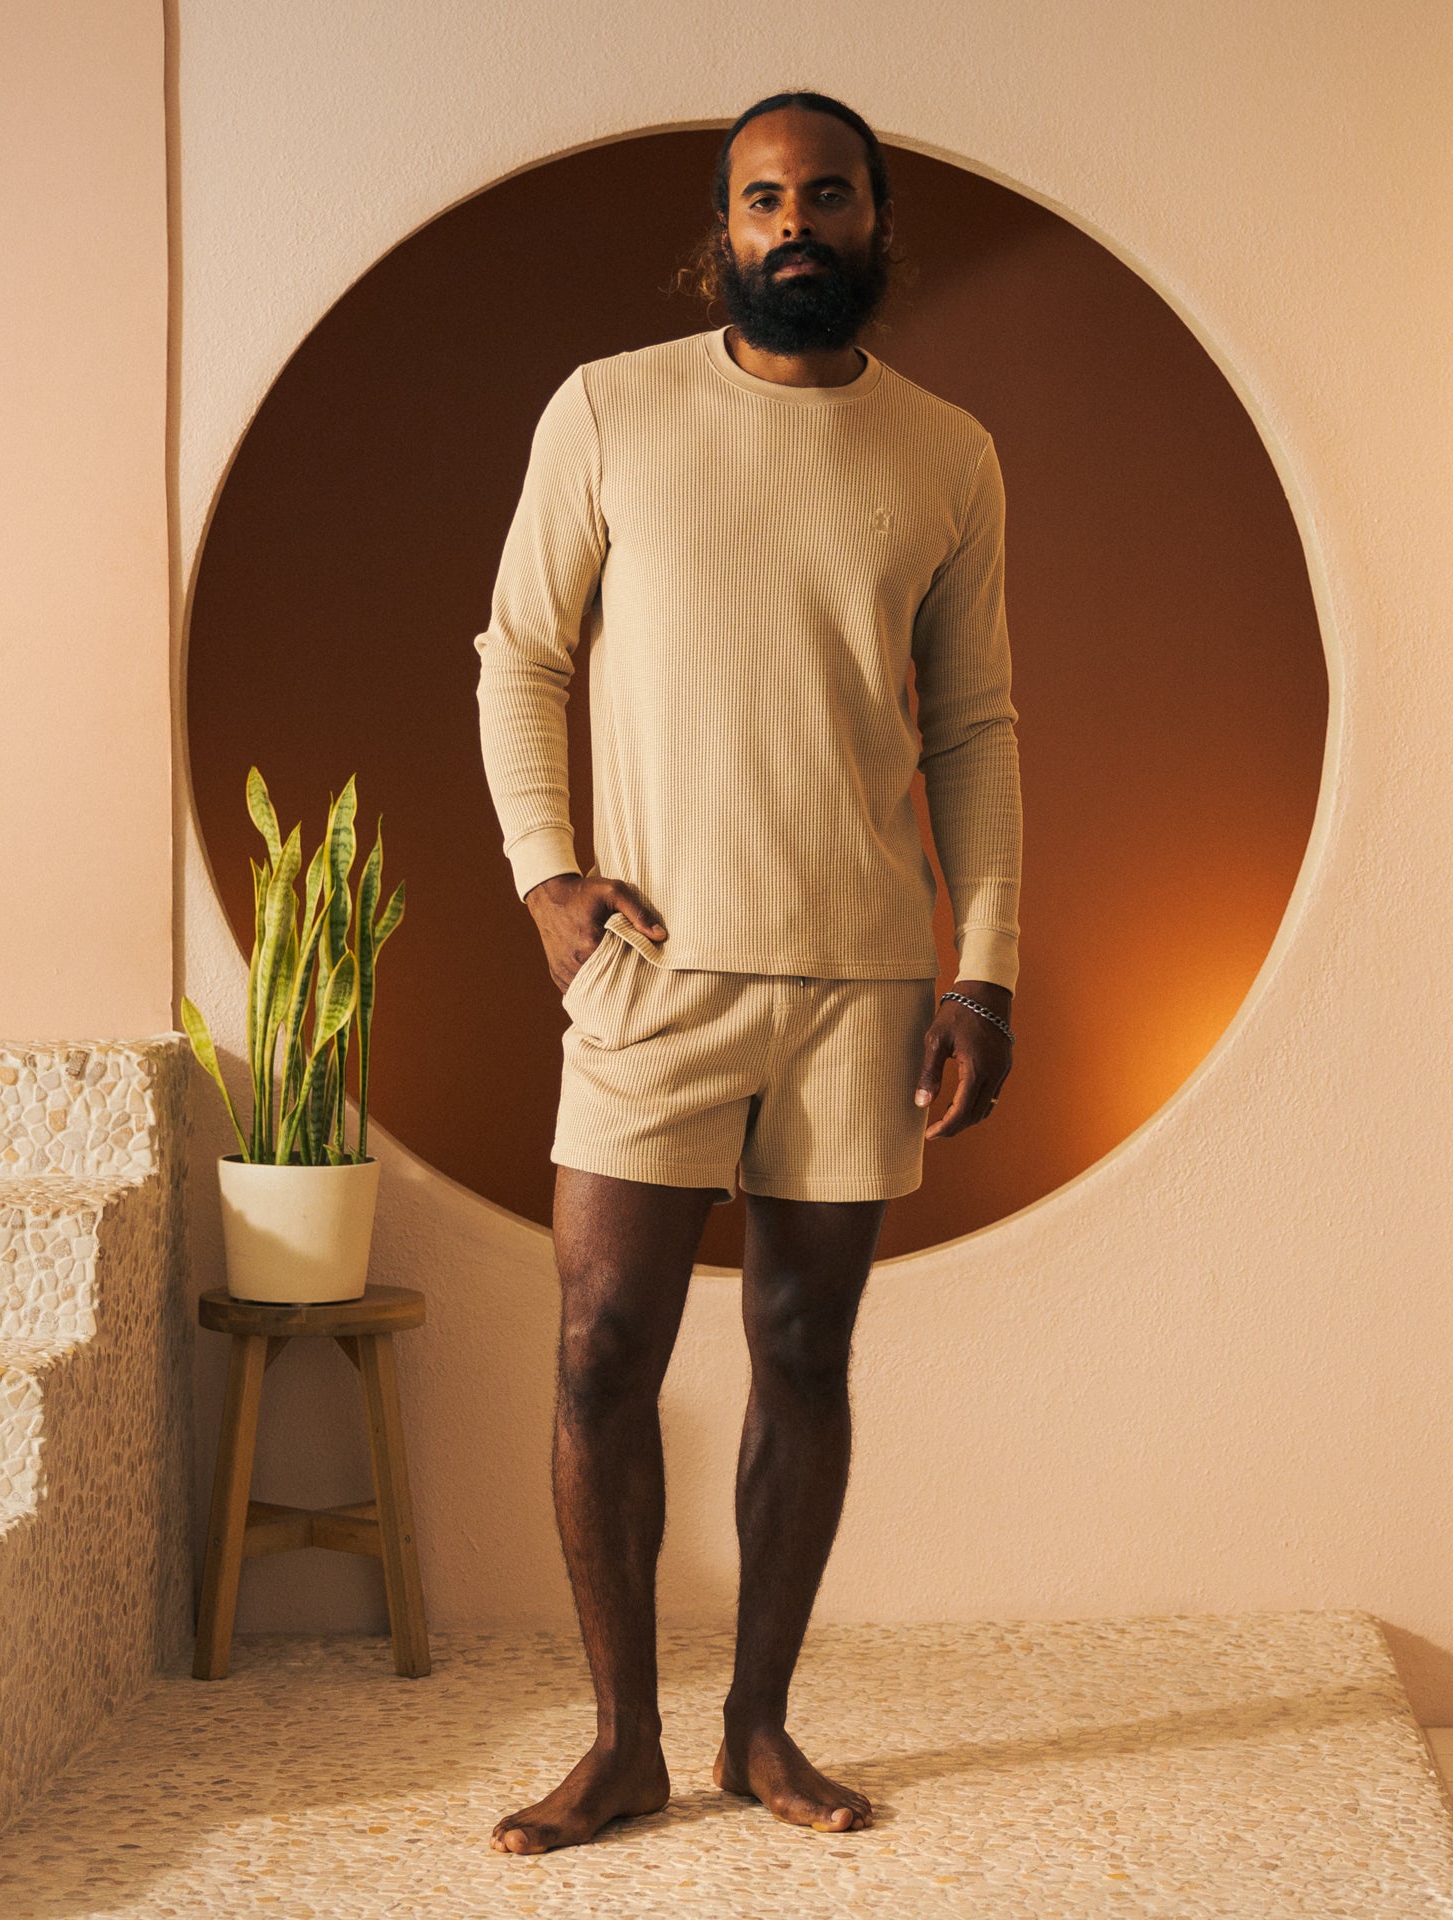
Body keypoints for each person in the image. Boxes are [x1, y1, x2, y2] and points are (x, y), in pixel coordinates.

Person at [473, 88, 1022, 1855]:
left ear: (877, 222)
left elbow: (981, 729)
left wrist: (985, 969)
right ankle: (620, 1740)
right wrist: (545, 876)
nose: (798, 225)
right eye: (765, 199)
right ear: (721, 230)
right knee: (599, 1346)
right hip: (656, 973)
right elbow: (520, 654)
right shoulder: (610, 409)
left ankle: (760, 1733)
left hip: (862, 978)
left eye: (830, 197)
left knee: (803, 1343)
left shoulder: (948, 452)